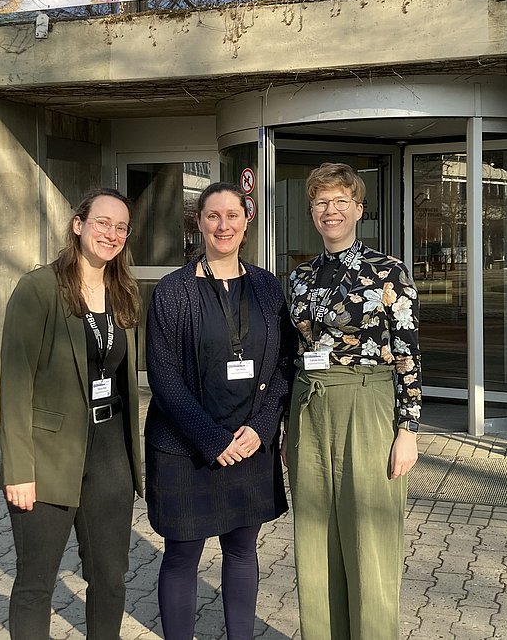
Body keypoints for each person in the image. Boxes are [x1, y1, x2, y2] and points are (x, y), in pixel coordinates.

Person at [145, 181, 296, 640]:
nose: (223, 225)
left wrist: (262, 427)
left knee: (242, 551)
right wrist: (212, 440)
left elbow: (287, 363)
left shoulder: (269, 288)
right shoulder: (172, 291)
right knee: (182, 555)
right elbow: (164, 377)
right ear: (199, 223)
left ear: (246, 224)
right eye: (213, 216)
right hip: (186, 449)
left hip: (250, 445)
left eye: (232, 215)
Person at [286, 162, 422, 640]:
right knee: (316, 538)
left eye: (341, 201)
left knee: (370, 540)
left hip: (368, 405)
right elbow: (295, 351)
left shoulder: (389, 272)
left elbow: (407, 351)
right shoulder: (300, 278)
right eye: (322, 202)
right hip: (310, 407)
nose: (331, 210)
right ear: (312, 211)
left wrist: (408, 430)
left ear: (359, 209)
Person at [0, 188, 141, 640]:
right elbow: (15, 385)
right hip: (47, 456)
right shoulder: (38, 288)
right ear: (78, 224)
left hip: (109, 456)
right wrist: (18, 470)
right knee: (36, 584)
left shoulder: (123, 291)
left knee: (110, 580)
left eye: (121, 227)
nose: (111, 234)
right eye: (102, 222)